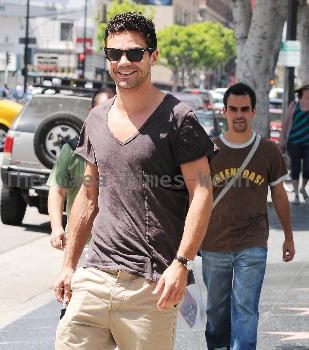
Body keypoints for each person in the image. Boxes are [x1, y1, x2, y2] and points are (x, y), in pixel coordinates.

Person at [54, 12, 216, 350]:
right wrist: (69, 264)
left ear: (153, 56)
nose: (123, 61)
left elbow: (202, 191)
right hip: (94, 277)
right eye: (114, 54)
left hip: (150, 285)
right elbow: (87, 196)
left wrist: (182, 264)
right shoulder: (96, 119)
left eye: (134, 53)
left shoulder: (179, 118)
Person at [200, 83, 295, 350]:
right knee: (217, 313)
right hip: (214, 243)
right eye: (233, 109)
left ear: (253, 111)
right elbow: (196, 198)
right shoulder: (209, 151)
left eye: (244, 109)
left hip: (253, 243)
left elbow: (279, 195)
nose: (238, 114)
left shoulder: (268, 151)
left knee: (246, 308)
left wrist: (288, 237)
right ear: (224, 111)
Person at [47, 87, 116, 251]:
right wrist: (56, 227)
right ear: (91, 112)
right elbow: (57, 189)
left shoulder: (130, 148)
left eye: (112, 110)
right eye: (101, 111)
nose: (106, 117)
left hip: (115, 247)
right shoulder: (72, 149)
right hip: (80, 243)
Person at [280, 83, 309, 204]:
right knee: (295, 167)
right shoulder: (294, 105)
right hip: (294, 142)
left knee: (308, 169)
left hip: (308, 143)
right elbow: (286, 123)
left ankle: (303, 188)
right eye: (307, 90)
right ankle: (296, 193)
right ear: (302, 91)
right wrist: (282, 138)